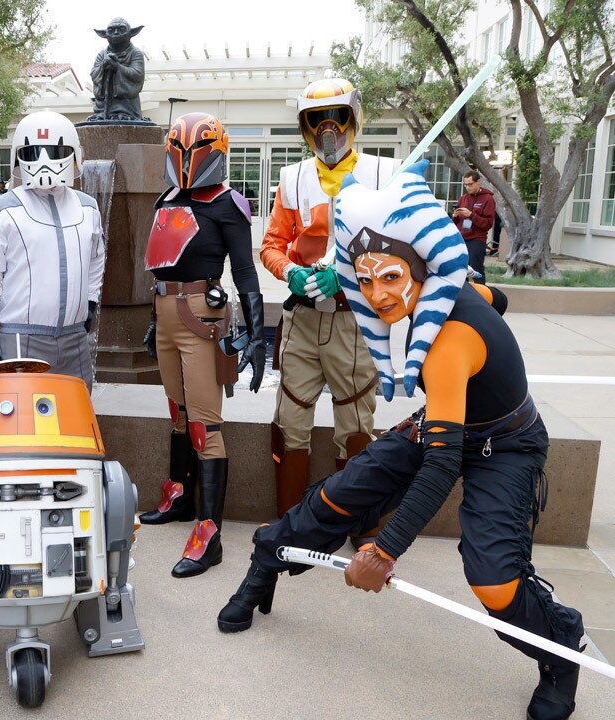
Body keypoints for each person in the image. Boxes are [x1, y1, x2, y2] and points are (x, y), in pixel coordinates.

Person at [217, 162, 584, 720]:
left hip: (507, 443)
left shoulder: (446, 339)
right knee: (343, 492)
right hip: (443, 415)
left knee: (496, 582)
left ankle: (560, 648)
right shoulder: (445, 289)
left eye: (391, 277)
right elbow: (494, 297)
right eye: (364, 280)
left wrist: (383, 552)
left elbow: (441, 469)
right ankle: (266, 561)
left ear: (419, 268)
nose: (378, 295)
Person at [260, 77, 399, 519]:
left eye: (336, 118)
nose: (327, 130)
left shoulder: (384, 174)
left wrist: (356, 274)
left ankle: (358, 522)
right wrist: (291, 272)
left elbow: (403, 245)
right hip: (302, 319)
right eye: (316, 120)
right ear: (305, 125)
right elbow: (271, 245)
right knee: (289, 422)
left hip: (355, 318)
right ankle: (289, 523)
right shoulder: (293, 178)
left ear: (352, 119)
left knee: (357, 426)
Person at [139, 112, 267, 578]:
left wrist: (255, 334)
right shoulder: (167, 198)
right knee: (177, 413)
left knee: (204, 424)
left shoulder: (227, 203)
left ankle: (208, 532)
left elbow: (245, 273)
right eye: (180, 147)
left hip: (201, 316)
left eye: (197, 148)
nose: (187, 158)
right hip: (167, 311)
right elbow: (161, 266)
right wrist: (156, 320)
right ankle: (179, 495)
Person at [0, 111, 105, 390]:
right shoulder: (0, 210)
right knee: (21, 425)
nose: (44, 161)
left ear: (73, 154)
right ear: (19, 156)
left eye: (55, 151)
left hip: (74, 338)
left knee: (74, 422)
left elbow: (96, 257)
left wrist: (90, 300)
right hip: (21, 339)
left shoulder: (87, 206)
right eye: (32, 152)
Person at [453, 170, 497, 283]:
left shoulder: (488, 199)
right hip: (462, 239)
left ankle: (482, 297)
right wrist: (455, 216)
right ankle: (464, 297)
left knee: (476, 270)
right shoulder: (463, 198)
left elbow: (487, 224)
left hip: (477, 240)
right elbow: (456, 223)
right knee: (461, 271)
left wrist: (471, 215)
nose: (468, 187)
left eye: (470, 184)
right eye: (465, 184)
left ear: (478, 182)